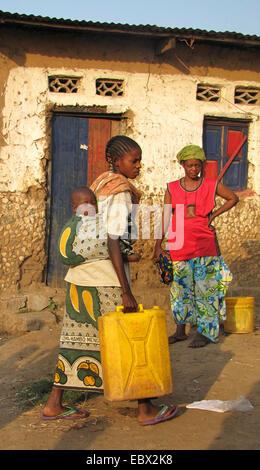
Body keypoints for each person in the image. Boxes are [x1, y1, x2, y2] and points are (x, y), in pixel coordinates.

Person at [42, 137, 178, 425]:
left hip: (81, 281)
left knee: (79, 338)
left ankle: (54, 403)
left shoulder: (100, 185)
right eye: (134, 160)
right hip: (106, 281)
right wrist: (126, 290)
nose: (139, 166)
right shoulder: (121, 191)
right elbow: (112, 237)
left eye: (139, 160)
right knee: (127, 336)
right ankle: (145, 408)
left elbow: (96, 233)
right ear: (117, 162)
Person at [154, 144, 238, 348]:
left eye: (197, 165)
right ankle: (180, 331)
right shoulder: (171, 188)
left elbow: (233, 198)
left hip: (204, 245)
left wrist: (214, 215)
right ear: (182, 164)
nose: (194, 169)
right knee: (180, 289)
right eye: (190, 165)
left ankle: (206, 332)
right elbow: (166, 216)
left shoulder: (211, 184)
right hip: (178, 244)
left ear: (201, 165)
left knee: (205, 290)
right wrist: (157, 245)